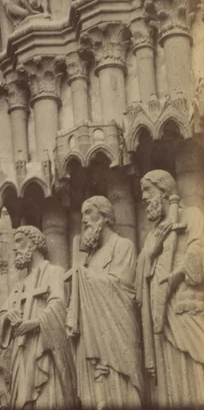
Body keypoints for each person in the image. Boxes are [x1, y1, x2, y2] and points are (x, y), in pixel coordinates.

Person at [65, 195, 142, 410]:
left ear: (105, 216)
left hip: (116, 335)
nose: (84, 220)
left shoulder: (123, 246)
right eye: (82, 215)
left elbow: (123, 290)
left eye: (89, 212)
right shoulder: (91, 257)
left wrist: (85, 277)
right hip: (92, 337)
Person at [137, 169, 204, 408]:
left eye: (148, 190)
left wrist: (179, 273)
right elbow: (140, 280)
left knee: (194, 369)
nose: (143, 197)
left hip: (184, 307)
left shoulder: (192, 215)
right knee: (170, 380)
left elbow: (200, 251)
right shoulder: (151, 235)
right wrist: (152, 250)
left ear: (164, 191)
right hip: (160, 317)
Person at [0, 226, 75, 410]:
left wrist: (33, 323)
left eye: (19, 241)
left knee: (46, 399)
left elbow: (58, 305)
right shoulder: (20, 285)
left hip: (44, 348)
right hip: (22, 352)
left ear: (33, 244)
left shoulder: (53, 272)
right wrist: (8, 316)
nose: (14, 248)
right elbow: (2, 314)